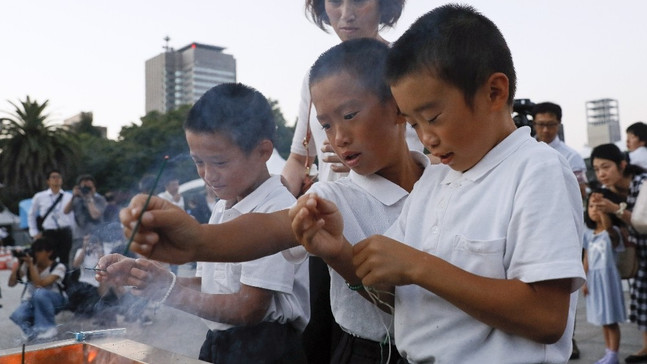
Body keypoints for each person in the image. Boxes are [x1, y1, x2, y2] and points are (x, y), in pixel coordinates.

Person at [290, 5, 586, 363]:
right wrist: (337, 251)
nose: (425, 138)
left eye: (432, 118)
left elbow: (546, 316)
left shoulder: (536, 170)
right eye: (413, 124)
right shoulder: (436, 181)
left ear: (494, 92)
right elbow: (398, 291)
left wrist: (420, 266)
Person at [105, 39, 427, 363]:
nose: (337, 138)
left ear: (399, 105)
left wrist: (178, 275)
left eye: (351, 115)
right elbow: (271, 229)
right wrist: (194, 244)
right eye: (325, 125)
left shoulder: (443, 184)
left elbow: (249, 303)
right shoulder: (330, 196)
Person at [102, 83, 310, 363]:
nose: (208, 175)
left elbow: (248, 309)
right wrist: (154, 278)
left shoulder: (278, 208)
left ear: (263, 151)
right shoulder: (224, 206)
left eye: (220, 162)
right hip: (221, 342)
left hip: (263, 348)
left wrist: (171, 292)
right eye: (198, 162)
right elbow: (214, 285)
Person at [283, 2, 423, 361]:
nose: (346, 13)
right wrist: (278, 202)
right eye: (334, 2)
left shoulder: (410, 66)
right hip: (330, 222)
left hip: (397, 218)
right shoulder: (316, 77)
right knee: (329, 334)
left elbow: (436, 143)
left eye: (359, 0)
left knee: (408, 315)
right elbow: (300, 156)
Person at [589, 143, 647, 363]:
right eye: (597, 169)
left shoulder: (642, 184)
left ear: (622, 165)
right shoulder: (608, 192)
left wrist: (615, 209)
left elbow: (643, 221)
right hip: (638, 249)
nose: (602, 173)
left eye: (606, 167)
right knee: (641, 297)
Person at [582, 188, 627, 364]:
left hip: (608, 280)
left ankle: (613, 354)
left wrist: (603, 213)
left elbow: (608, 228)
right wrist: (584, 280)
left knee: (611, 319)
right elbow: (587, 257)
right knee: (603, 319)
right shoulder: (588, 233)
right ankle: (608, 352)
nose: (594, 209)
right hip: (594, 279)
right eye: (591, 206)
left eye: (598, 206)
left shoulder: (612, 231)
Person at [8, 237, 67, 341]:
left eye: (39, 251)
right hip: (34, 301)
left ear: (49, 252)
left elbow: (40, 284)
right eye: (34, 250)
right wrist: (18, 264)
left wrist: (31, 265)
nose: (36, 254)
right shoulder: (28, 265)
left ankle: (48, 328)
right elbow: (11, 283)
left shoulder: (58, 266)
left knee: (39, 293)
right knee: (18, 315)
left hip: (56, 301)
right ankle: (31, 332)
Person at [532, 102, 588, 200]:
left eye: (550, 124)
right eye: (541, 124)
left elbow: (581, 192)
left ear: (559, 123)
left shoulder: (572, 156)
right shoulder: (523, 150)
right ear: (534, 124)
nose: (545, 130)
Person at [28, 169, 74, 267]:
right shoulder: (40, 196)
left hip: (65, 231)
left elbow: (72, 216)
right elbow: (31, 214)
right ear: (48, 181)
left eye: (59, 177)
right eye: (53, 177)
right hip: (49, 232)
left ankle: (64, 281)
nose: (56, 179)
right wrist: (34, 232)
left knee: (65, 259)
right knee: (48, 258)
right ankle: (49, 280)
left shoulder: (69, 196)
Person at [64, 174, 107, 265]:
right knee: (74, 265)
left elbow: (95, 215)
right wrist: (73, 196)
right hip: (79, 237)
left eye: (89, 187)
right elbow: (65, 211)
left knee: (99, 264)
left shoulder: (100, 199)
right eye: (84, 187)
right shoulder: (76, 199)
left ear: (94, 188)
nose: (87, 190)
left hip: (97, 237)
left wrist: (89, 199)